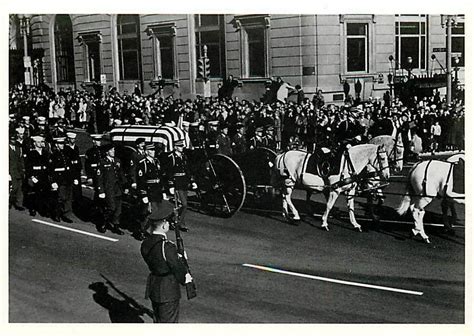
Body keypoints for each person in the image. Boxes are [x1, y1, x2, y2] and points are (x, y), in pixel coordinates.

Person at [141, 201, 191, 323]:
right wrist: (186, 278)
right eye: (167, 222)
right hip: (168, 290)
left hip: (154, 287)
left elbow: (159, 259)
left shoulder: (145, 243)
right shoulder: (167, 246)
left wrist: (175, 256)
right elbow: (176, 267)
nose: (169, 224)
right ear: (163, 225)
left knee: (158, 321)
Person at [96, 144, 128, 235]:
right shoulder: (102, 162)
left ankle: (116, 226)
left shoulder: (117, 161)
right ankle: (103, 223)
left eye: (114, 150)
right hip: (108, 189)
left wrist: (125, 186)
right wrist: (101, 190)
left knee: (118, 209)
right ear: (107, 152)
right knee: (111, 207)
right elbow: (99, 178)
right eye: (111, 150)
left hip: (117, 189)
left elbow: (121, 174)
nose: (113, 152)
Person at [135, 143, 164, 240]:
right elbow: (141, 180)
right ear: (147, 152)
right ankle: (141, 231)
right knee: (146, 212)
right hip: (149, 190)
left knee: (156, 211)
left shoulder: (156, 162)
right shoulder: (143, 163)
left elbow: (160, 176)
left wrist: (162, 190)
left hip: (157, 190)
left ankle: (151, 230)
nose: (153, 152)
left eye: (154, 150)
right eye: (151, 150)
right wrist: (143, 194)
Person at [164, 139, 190, 232]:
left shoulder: (183, 156)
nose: (181, 148)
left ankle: (179, 222)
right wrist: (170, 184)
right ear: (175, 147)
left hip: (184, 182)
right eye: (179, 146)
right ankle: (175, 221)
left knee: (183, 205)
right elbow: (169, 172)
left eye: (182, 146)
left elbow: (187, 169)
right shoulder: (172, 157)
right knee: (183, 204)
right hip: (176, 182)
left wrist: (192, 181)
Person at [24, 135, 51, 217]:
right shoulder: (31, 153)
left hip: (44, 175)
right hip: (36, 175)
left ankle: (43, 209)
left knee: (45, 193)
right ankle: (33, 208)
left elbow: (48, 165)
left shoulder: (45, 153)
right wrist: (32, 176)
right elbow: (28, 167)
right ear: (35, 143)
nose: (41, 144)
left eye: (42, 142)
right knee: (35, 193)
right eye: (39, 142)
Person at [48, 137, 74, 223]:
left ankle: (67, 214)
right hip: (60, 179)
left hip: (68, 178)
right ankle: (57, 213)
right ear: (56, 145)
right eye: (60, 144)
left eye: (63, 143)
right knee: (61, 198)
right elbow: (51, 170)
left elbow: (70, 166)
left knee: (69, 198)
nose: (62, 145)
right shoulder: (53, 155)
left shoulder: (66, 154)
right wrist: (53, 181)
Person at [9, 133, 25, 211]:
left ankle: (19, 204)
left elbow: (21, 159)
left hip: (19, 171)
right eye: (12, 139)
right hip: (11, 171)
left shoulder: (18, 148)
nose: (13, 141)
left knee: (20, 188)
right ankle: (9, 201)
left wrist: (23, 169)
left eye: (14, 139)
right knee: (14, 188)